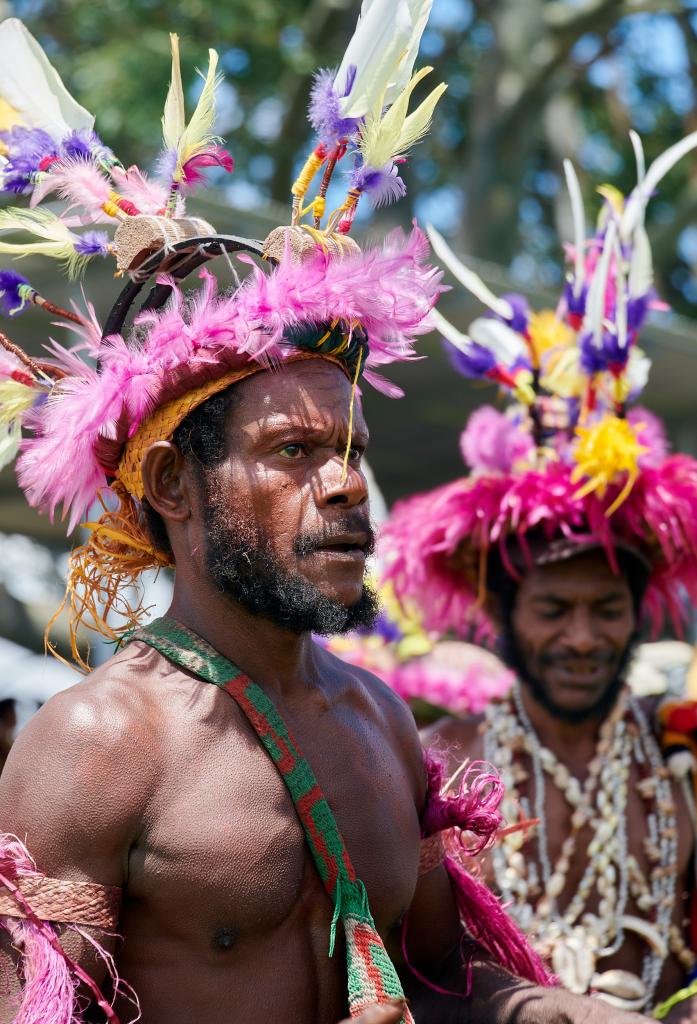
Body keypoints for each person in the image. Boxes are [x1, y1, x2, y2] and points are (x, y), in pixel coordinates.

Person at [0, 12, 649, 1024]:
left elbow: (437, 979)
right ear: (172, 482)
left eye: (351, 452)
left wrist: (557, 1012)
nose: (347, 485)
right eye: (294, 454)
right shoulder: (93, 745)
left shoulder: (378, 720)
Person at [380, 139, 697, 1021]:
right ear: (501, 610)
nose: (583, 637)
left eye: (606, 610)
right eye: (554, 609)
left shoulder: (680, 762)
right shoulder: (440, 761)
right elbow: (415, 970)